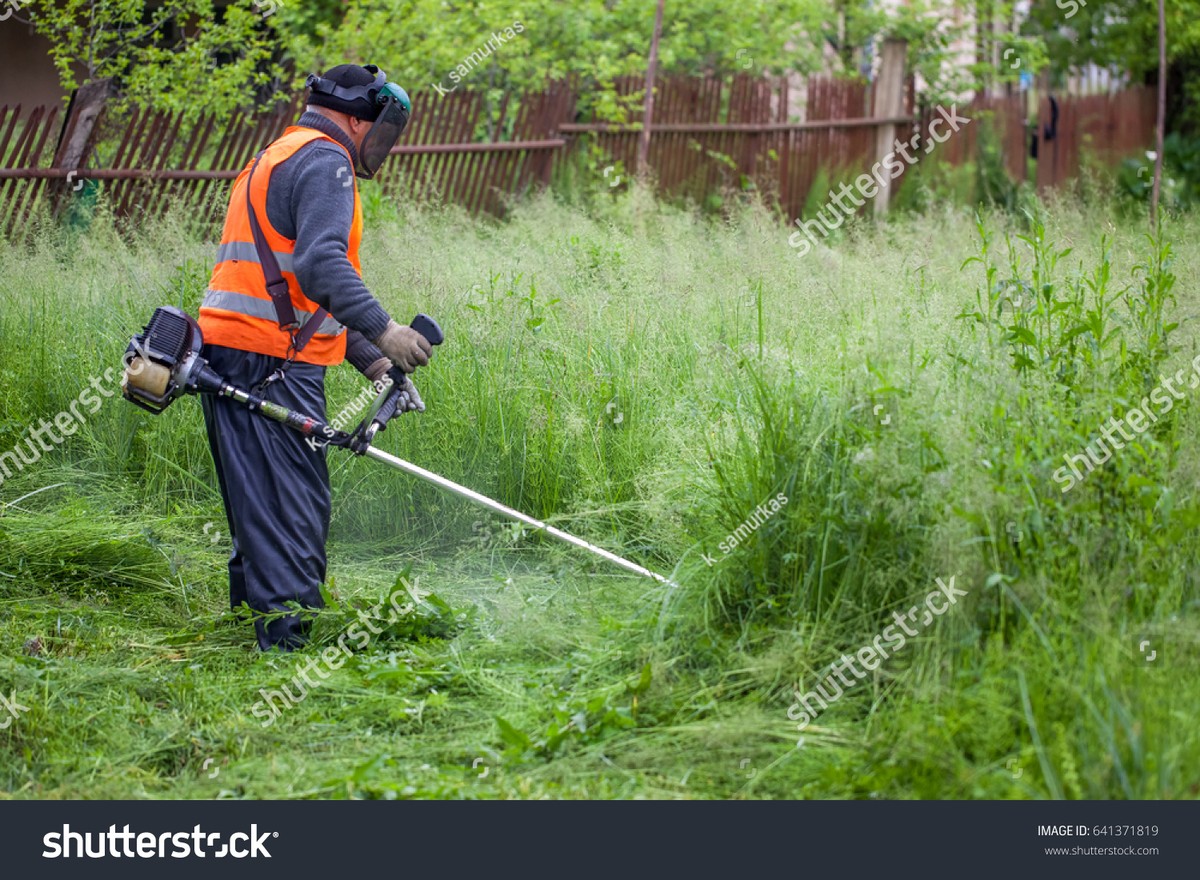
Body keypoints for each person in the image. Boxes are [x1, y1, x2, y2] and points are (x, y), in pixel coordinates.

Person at [197, 63, 431, 651]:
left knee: (260, 501)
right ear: (357, 118)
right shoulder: (327, 161)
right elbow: (322, 265)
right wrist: (386, 331)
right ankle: (291, 647)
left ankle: (250, 631)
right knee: (296, 507)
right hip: (273, 361)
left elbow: (294, 290)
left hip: (234, 351)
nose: (380, 141)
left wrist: (371, 364)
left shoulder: (276, 154)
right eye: (378, 126)